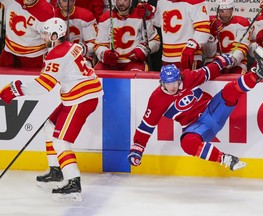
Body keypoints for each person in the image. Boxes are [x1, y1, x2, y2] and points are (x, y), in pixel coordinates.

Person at [0, 17, 103, 201]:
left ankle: (73, 182)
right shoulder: (73, 46)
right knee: (50, 127)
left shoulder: (56, 55)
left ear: (56, 35)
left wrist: (16, 89)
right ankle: (56, 171)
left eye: (47, 33)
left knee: (61, 141)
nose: (44, 36)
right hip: (79, 94)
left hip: (81, 98)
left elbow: (43, 86)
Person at [127, 46, 263, 170]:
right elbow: (146, 127)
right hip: (195, 127)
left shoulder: (187, 77)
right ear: (161, 83)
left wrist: (221, 62)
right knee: (187, 143)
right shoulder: (157, 99)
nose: (172, 87)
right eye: (168, 84)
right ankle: (225, 159)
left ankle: (259, 73)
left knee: (230, 91)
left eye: (174, 82)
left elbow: (207, 72)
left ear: (179, 78)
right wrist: (137, 148)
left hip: (212, 110)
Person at [94, 0, 160, 71]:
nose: (121, 3)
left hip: (133, 62)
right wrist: (104, 54)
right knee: (97, 74)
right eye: (119, 0)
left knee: (137, 75)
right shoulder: (105, 18)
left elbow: (155, 41)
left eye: (125, 0)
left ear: (131, 1)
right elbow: (99, 45)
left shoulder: (140, 15)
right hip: (110, 63)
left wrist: (143, 50)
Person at [151, 0, 210, 70]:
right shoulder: (161, 1)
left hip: (188, 58)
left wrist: (191, 47)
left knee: (187, 80)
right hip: (167, 57)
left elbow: (204, 29)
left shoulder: (197, 2)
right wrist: (150, 14)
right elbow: (162, 22)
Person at [0, 0, 54, 68]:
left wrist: (51, 60)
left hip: (34, 56)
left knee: (32, 78)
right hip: (9, 51)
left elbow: (50, 39)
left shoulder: (46, 10)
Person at [203, 0, 250, 74]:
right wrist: (211, 35)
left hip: (236, 62)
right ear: (218, 11)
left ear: (232, 9)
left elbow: (241, 47)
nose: (225, 14)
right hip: (214, 60)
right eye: (222, 11)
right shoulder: (211, 22)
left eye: (228, 11)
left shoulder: (241, 23)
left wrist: (231, 61)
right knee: (207, 75)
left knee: (239, 78)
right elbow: (209, 54)